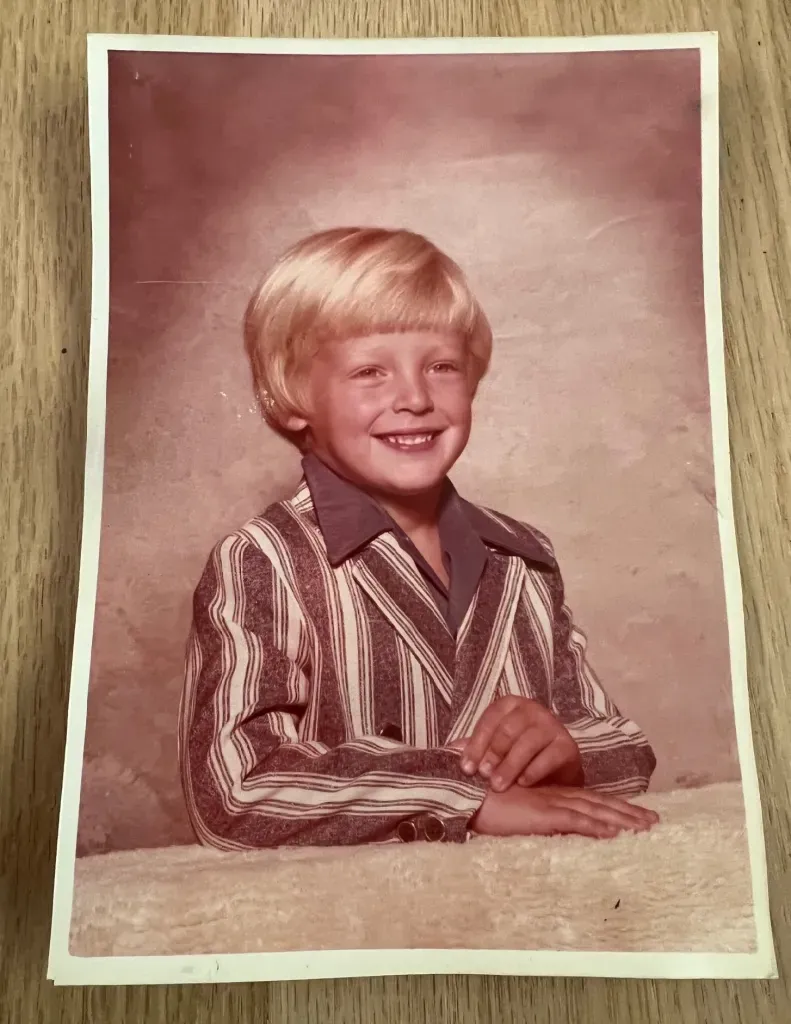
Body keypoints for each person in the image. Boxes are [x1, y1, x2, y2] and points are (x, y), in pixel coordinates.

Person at [178, 226, 658, 850]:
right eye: (370, 371)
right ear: (292, 396)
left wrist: (567, 750)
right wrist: (467, 794)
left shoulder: (523, 560)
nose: (414, 398)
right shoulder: (264, 561)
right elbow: (234, 790)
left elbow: (625, 746)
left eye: (441, 366)